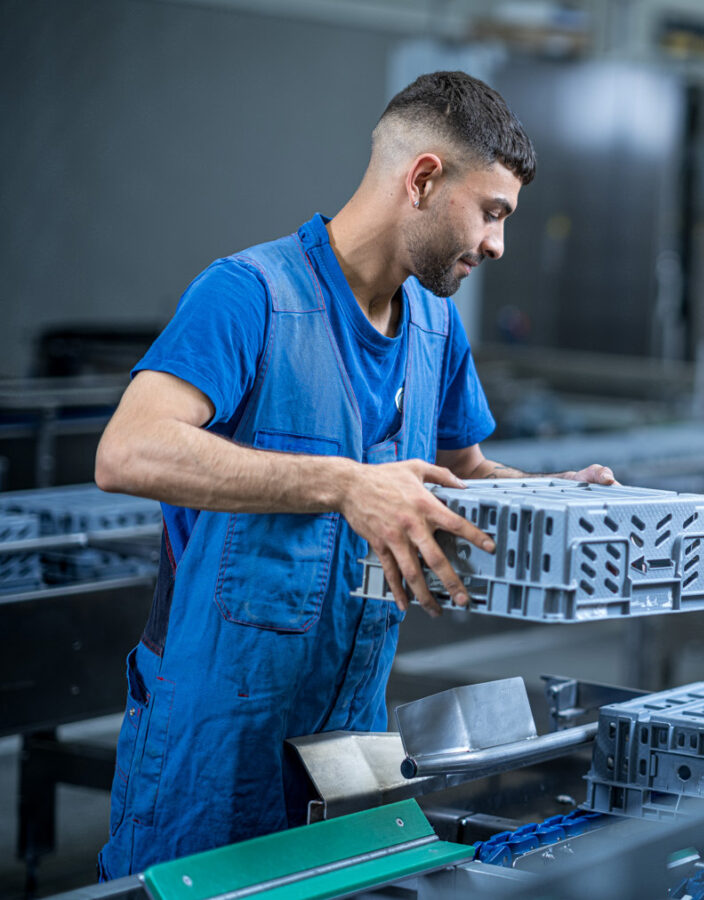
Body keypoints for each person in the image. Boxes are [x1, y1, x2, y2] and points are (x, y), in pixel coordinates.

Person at [93, 70, 613, 878]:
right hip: (213, 745)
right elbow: (128, 451)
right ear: (424, 179)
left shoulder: (435, 328)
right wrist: (343, 483)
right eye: (492, 212)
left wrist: (555, 500)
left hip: (354, 746)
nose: (497, 244)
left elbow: (465, 470)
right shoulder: (249, 296)